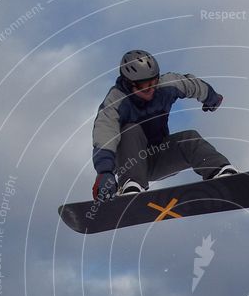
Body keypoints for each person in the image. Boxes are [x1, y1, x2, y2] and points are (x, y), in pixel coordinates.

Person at [91, 50, 237, 201]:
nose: (151, 90)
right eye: (145, 86)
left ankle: (220, 172)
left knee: (189, 138)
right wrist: (104, 172)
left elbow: (191, 85)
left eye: (154, 82)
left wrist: (210, 97)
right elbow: (104, 134)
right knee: (130, 130)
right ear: (129, 84)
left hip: (160, 157)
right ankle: (132, 185)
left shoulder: (166, 85)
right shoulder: (115, 101)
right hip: (130, 164)